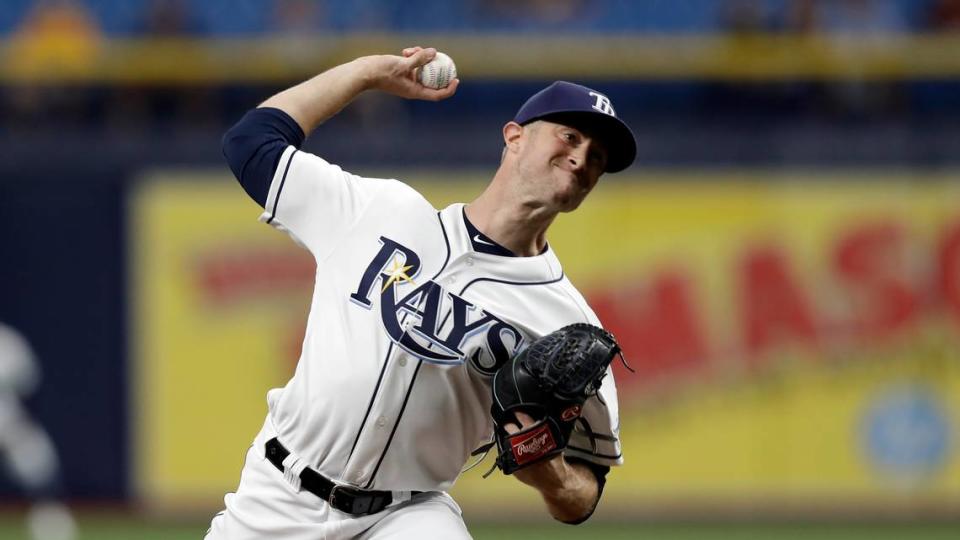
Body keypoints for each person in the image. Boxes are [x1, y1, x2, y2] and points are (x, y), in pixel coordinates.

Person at [208, 46, 635, 539]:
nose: (581, 157)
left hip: (406, 515)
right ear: (514, 138)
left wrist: (554, 478)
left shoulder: (567, 322)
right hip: (278, 495)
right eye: (570, 135)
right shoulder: (379, 212)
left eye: (597, 156)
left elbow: (586, 491)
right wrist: (366, 74)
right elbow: (251, 142)